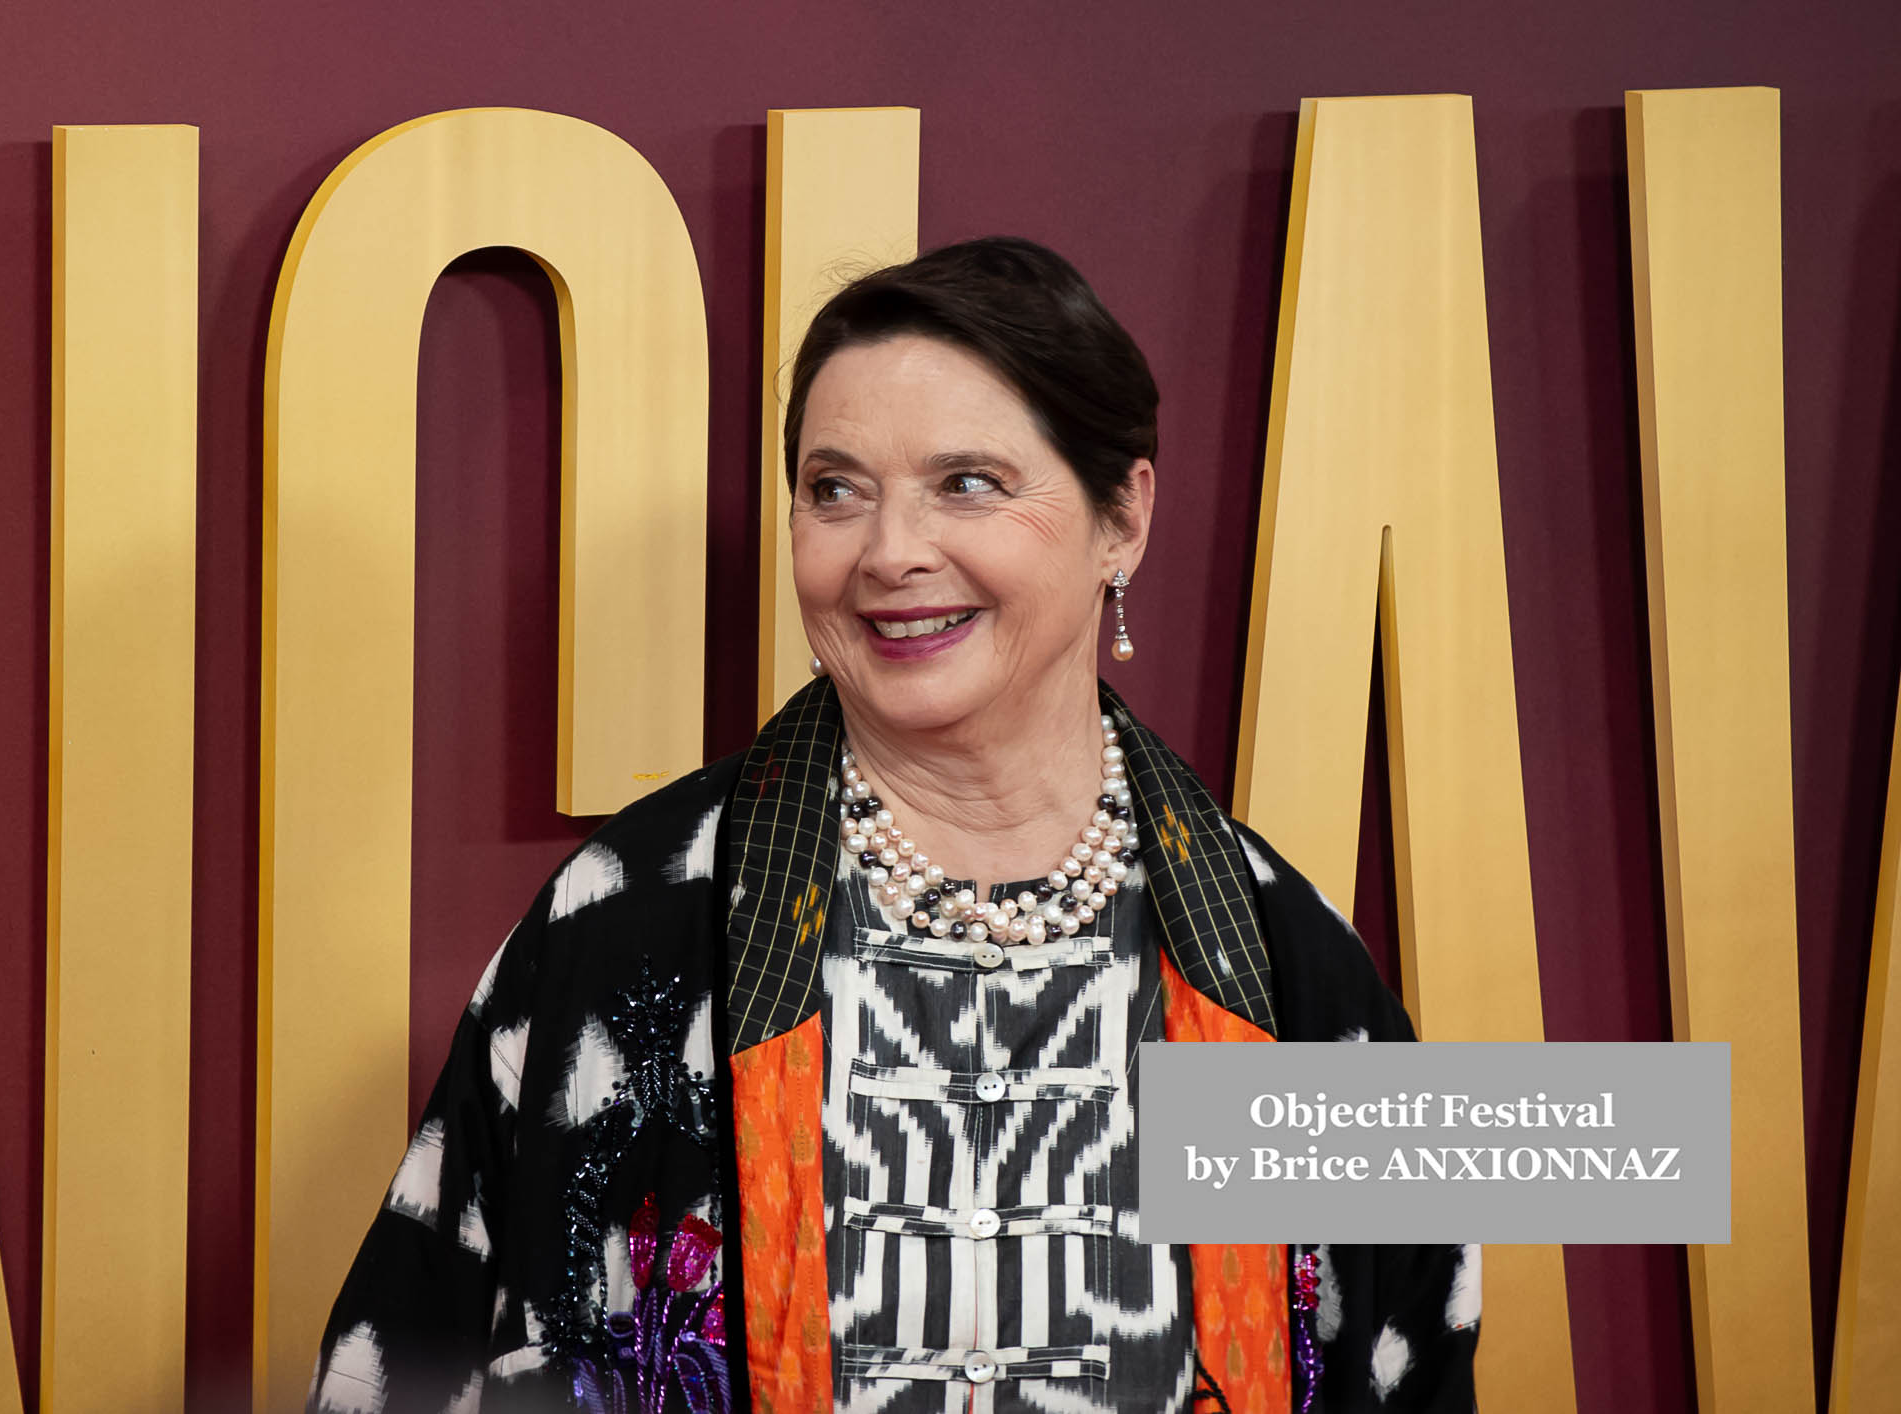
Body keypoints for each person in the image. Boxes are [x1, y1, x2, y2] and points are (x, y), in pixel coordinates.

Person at [307, 237, 1480, 1414]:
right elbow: (400, 1366)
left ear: (1122, 516)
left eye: (967, 482)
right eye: (835, 489)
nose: (889, 552)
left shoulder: (1285, 962)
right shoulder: (625, 922)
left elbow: (1419, 1365)